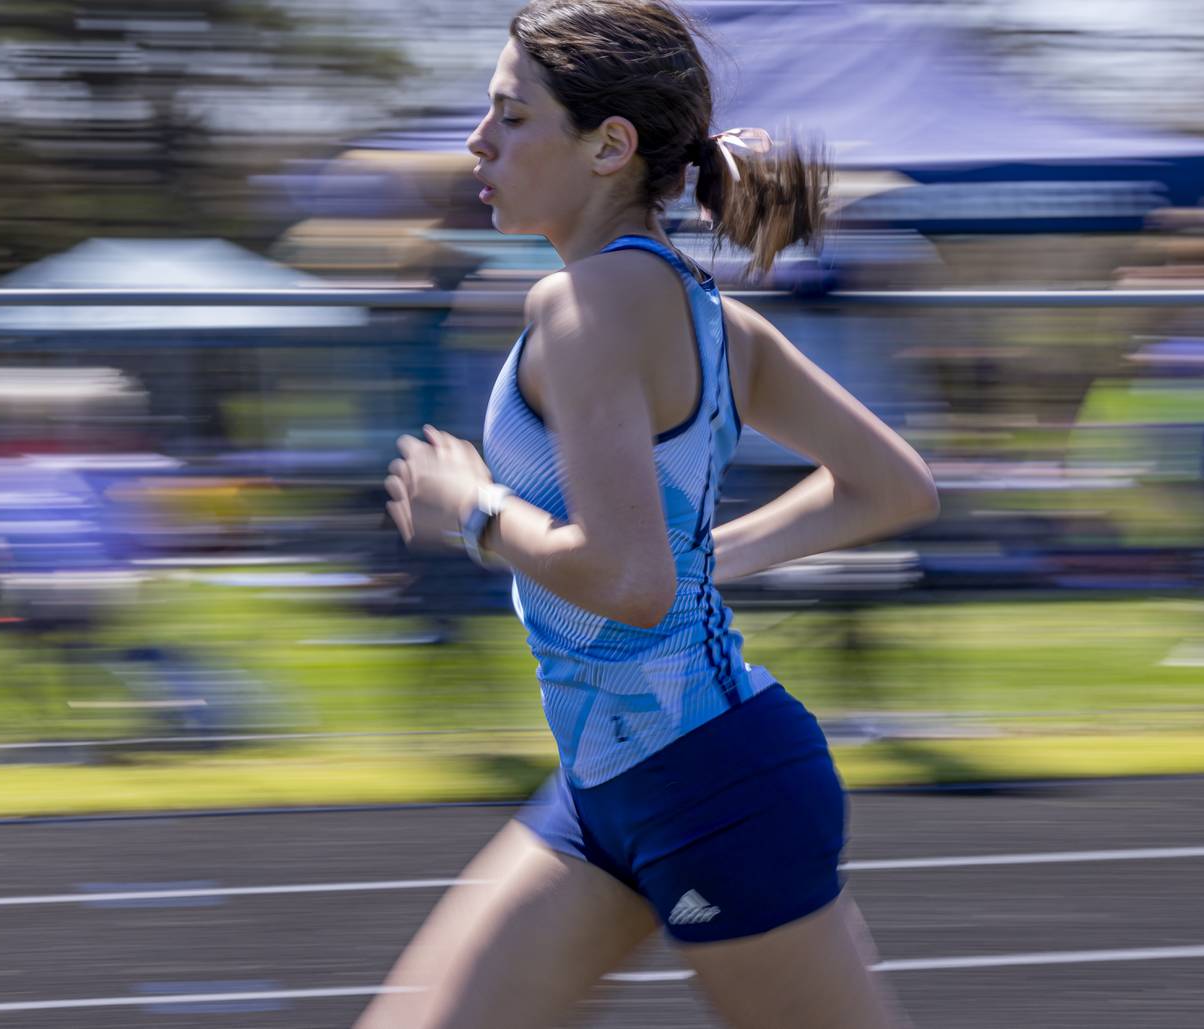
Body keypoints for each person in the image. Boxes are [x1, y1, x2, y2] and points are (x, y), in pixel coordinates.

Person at [368, 2, 937, 1026]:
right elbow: (893, 485)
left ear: (609, 146)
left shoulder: (582, 307)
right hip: (611, 792)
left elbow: (632, 586)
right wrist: (702, 556)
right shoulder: (712, 315)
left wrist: (474, 513)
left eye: (511, 114)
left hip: (709, 788)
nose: (476, 141)